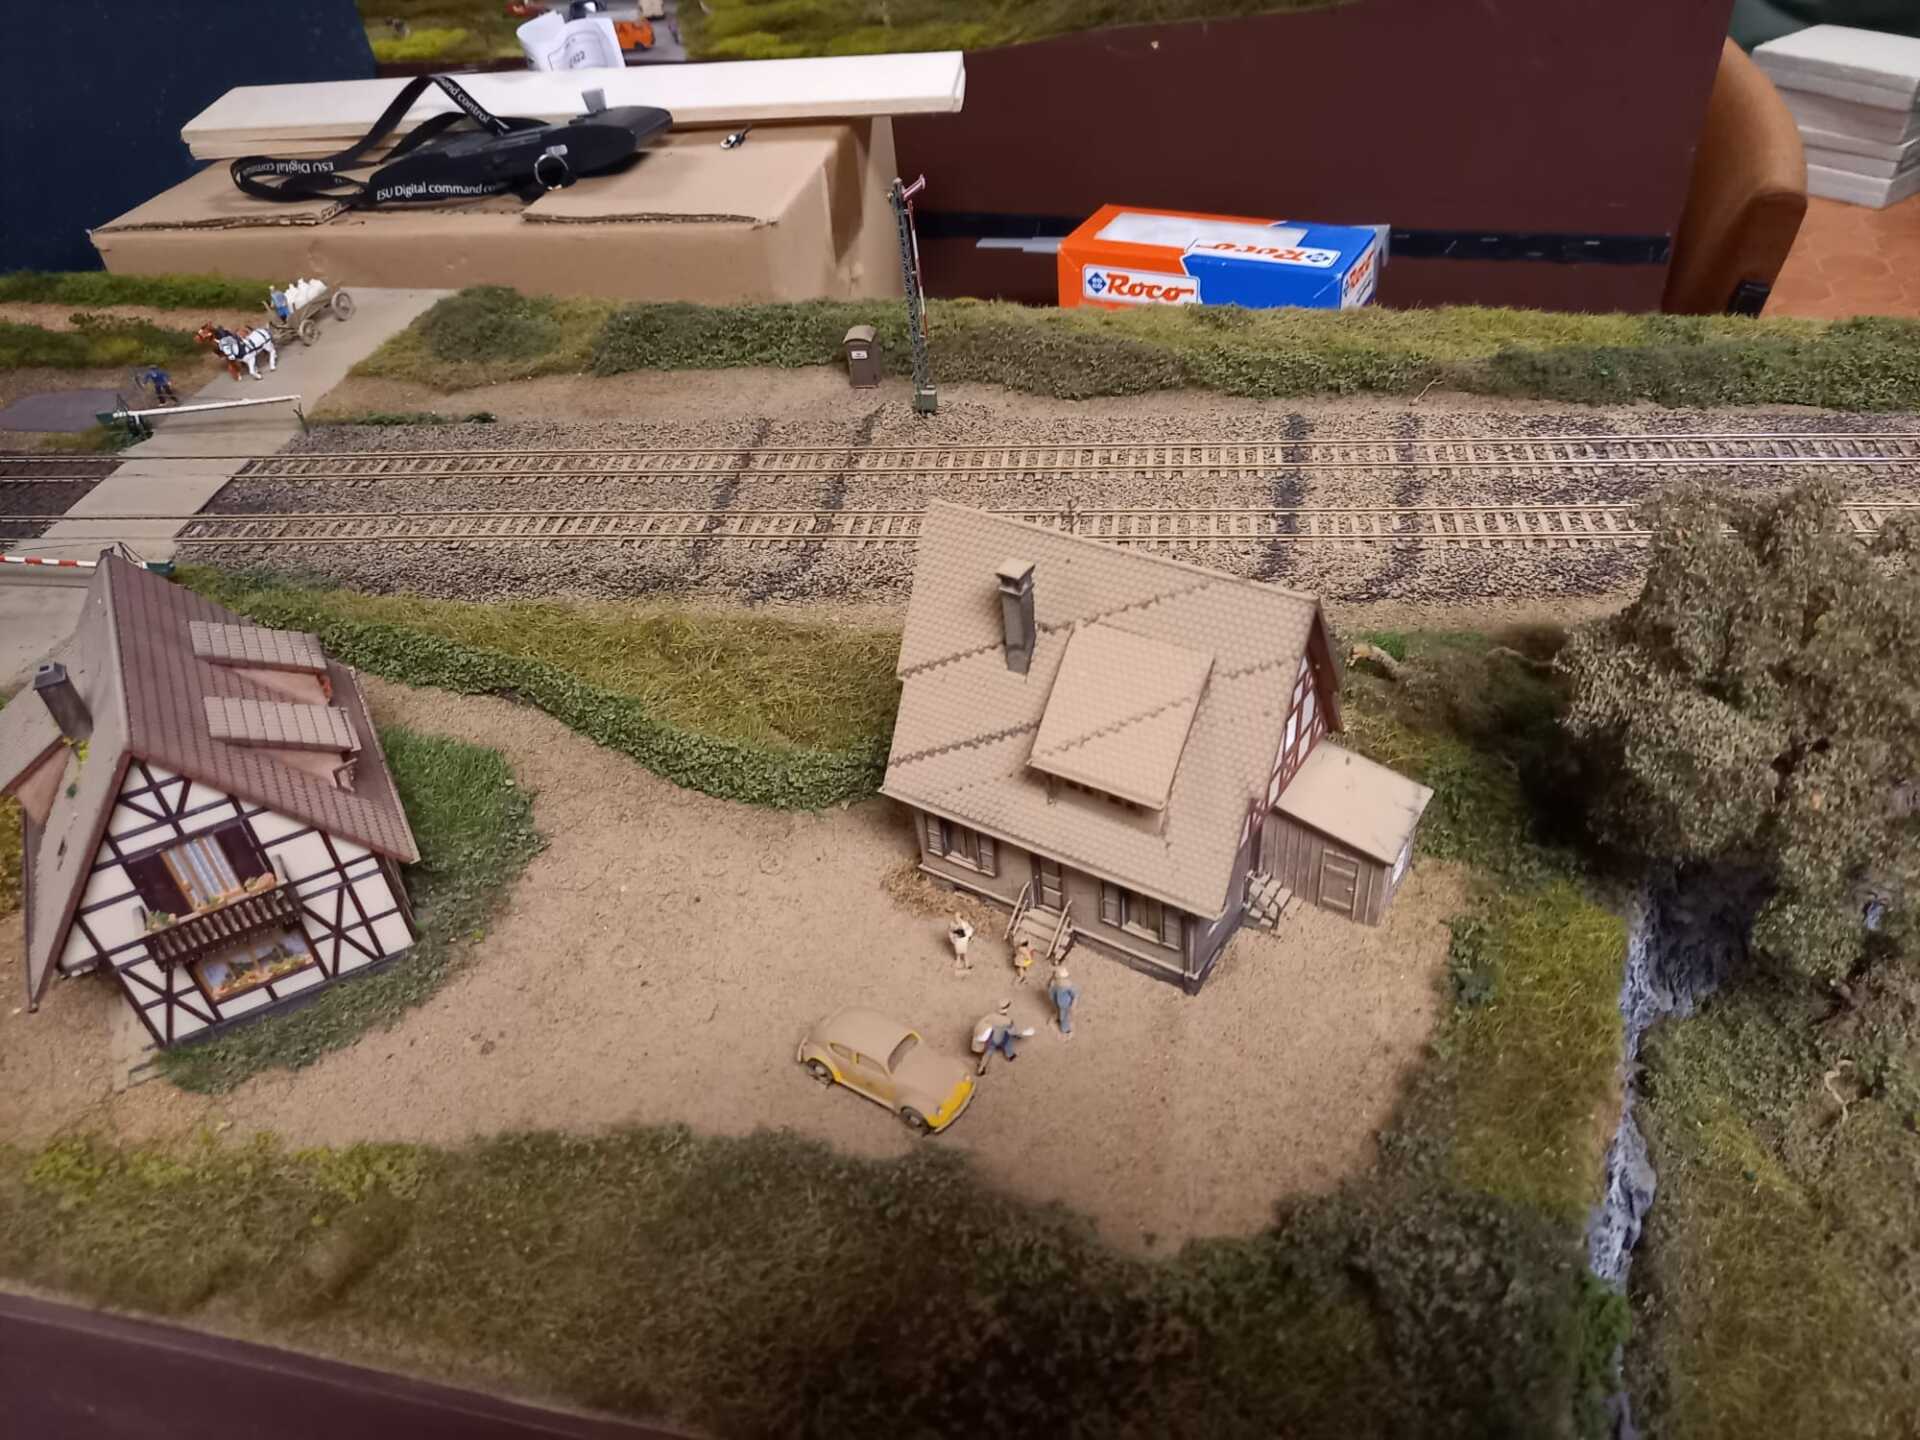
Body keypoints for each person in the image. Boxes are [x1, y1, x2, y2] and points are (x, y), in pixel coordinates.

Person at [971, 999, 1034, 1075]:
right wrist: (1023, 1033)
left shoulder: (991, 1016)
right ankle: (1010, 1055)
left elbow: (981, 1026)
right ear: (1007, 1008)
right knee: (1007, 1037)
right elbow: (1013, 1032)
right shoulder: (1008, 1021)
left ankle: (981, 1068)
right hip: (995, 1039)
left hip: (985, 1039)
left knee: (989, 1050)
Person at [1048, 964, 1079, 1041]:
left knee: (1064, 1017)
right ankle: (1059, 1019)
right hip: (1059, 1003)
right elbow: (1051, 989)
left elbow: (1075, 995)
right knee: (1060, 1013)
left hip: (1066, 1004)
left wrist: (1073, 1005)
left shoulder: (1068, 985)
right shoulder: (1057, 984)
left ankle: (1066, 1030)